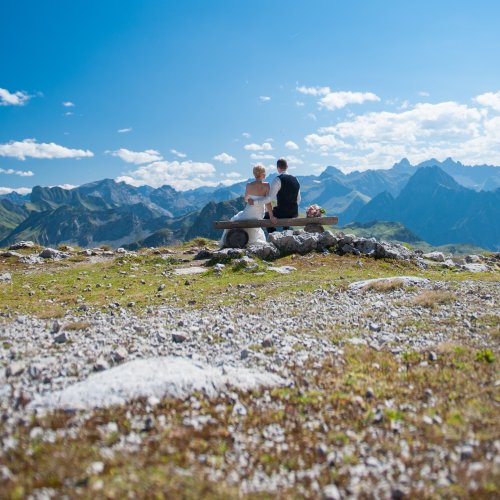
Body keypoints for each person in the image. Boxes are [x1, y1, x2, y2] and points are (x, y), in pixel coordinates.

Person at [220, 164, 273, 247]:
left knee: (237, 218)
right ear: (262, 174)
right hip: (258, 214)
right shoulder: (266, 185)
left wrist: (250, 200)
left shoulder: (249, 185)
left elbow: (245, 199)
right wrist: (271, 216)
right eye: (265, 173)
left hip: (249, 211)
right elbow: (268, 202)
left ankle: (237, 240)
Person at [248, 157, 301, 233]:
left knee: (266, 216)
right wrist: (292, 208)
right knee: (285, 213)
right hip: (294, 212)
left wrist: (255, 202)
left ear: (278, 168)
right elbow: (298, 199)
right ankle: (287, 233)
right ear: (287, 167)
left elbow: (269, 198)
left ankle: (274, 235)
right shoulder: (296, 179)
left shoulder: (277, 179)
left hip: (282, 212)